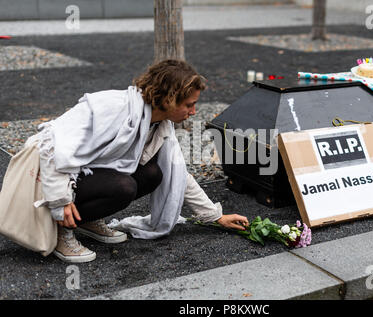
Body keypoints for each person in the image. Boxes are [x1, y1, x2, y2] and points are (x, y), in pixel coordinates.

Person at [25, 59, 249, 263]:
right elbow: (52, 145)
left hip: (84, 177)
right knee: (124, 186)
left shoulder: (159, 124)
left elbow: (179, 174)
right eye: (189, 104)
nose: (193, 111)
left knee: (153, 174)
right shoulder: (114, 108)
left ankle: (85, 219)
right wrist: (59, 202)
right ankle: (61, 230)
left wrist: (216, 217)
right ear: (169, 99)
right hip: (45, 180)